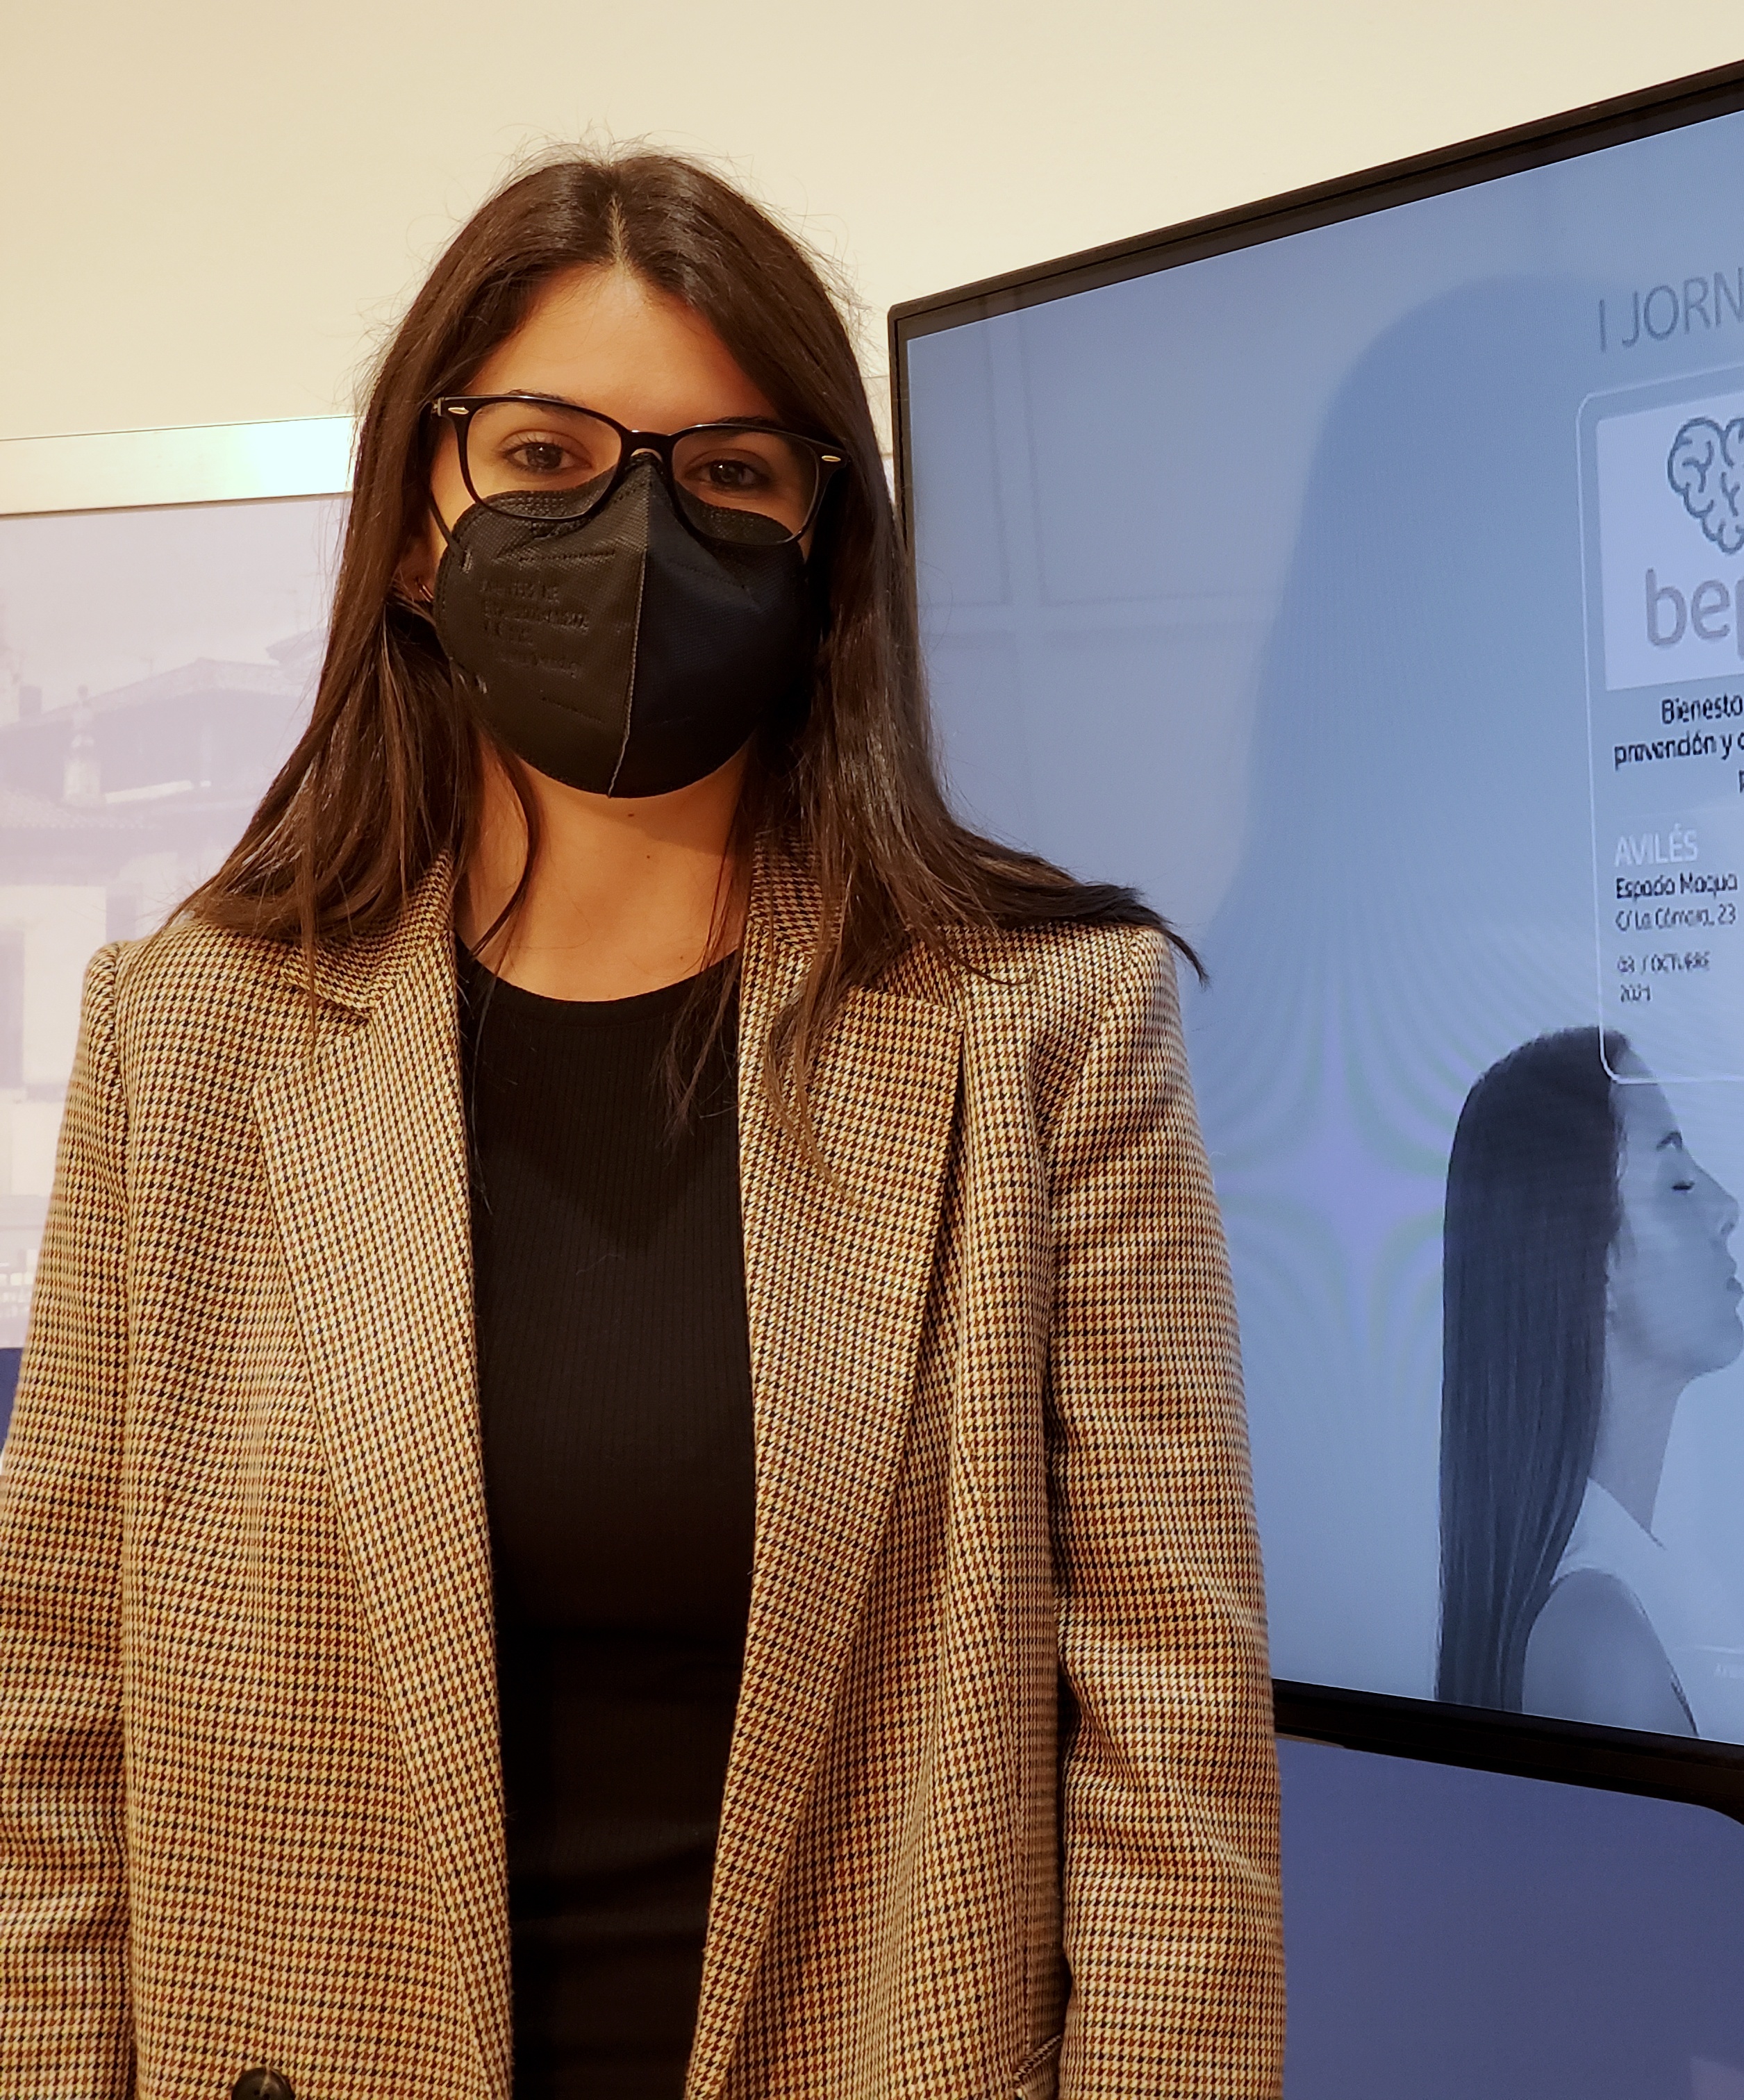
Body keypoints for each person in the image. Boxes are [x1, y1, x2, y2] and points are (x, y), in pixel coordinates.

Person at [0, 152, 1281, 2099]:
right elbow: (55, 1728)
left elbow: (1169, 1763)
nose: (635, 530)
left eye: (729, 475)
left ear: (820, 539)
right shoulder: (192, 1036)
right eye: (545, 458)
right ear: (419, 526)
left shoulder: (1044, 1021)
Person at [1435, 1027, 1744, 1733]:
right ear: (1595, 1260)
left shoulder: (1635, 1592)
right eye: (1679, 1183)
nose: (1727, 1208)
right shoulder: (1600, 1636)